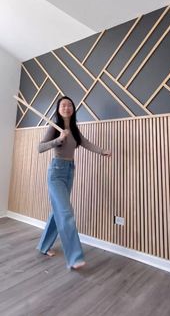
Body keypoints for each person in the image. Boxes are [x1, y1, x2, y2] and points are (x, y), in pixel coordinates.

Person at [36, 96, 111, 270]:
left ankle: (43, 246)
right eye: (63, 105)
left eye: (69, 105)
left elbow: (85, 143)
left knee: (57, 213)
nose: (66, 107)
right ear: (58, 109)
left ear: (73, 109)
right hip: (56, 173)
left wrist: (102, 151)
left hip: (70, 171)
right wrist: (59, 139)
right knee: (66, 213)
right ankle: (75, 257)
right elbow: (40, 148)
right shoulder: (54, 128)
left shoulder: (75, 129)